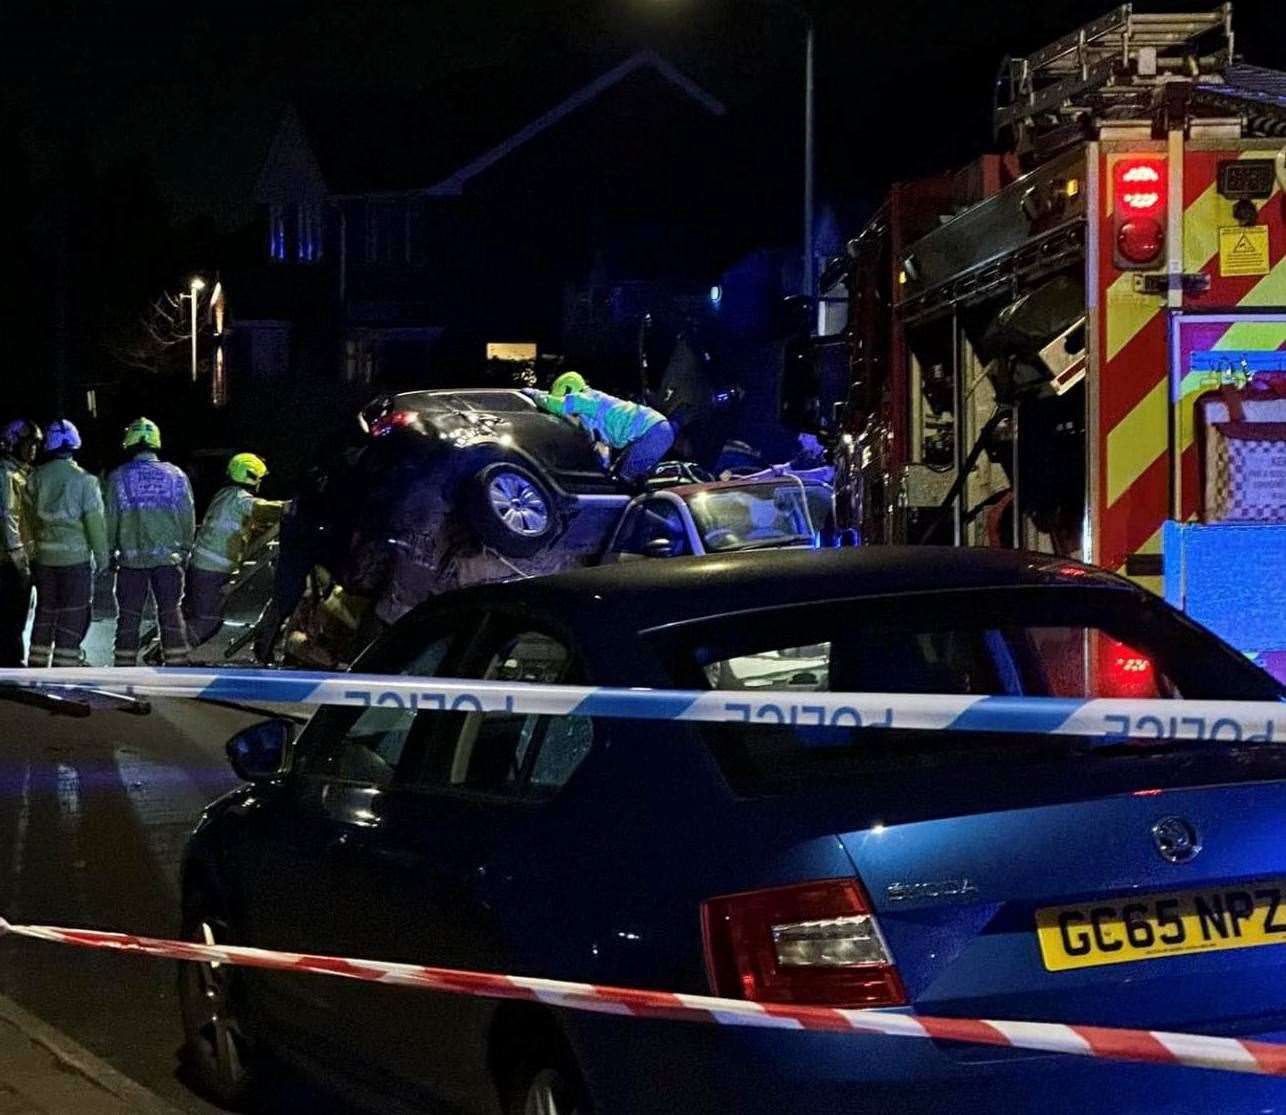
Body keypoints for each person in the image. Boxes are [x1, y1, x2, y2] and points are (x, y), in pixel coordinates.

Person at [104, 417, 195, 666]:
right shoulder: (176, 475)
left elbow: (110, 519)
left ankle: (124, 669)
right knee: (170, 614)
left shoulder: (117, 478)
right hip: (168, 562)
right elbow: (188, 517)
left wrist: (109, 553)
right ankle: (176, 666)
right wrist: (185, 551)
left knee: (128, 618)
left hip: (131, 564)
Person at [25, 419, 108, 667]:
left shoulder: (36, 477)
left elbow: (28, 519)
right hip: (75, 560)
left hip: (44, 559)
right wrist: (102, 558)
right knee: (74, 612)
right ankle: (65, 665)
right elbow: (95, 524)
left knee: (46, 610)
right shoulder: (85, 481)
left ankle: (37, 664)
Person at [184, 453, 285, 649]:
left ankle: (171, 648)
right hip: (212, 569)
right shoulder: (239, 499)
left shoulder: (225, 495)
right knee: (208, 621)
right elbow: (263, 509)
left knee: (200, 616)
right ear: (252, 476)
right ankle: (175, 650)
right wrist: (293, 507)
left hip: (203, 566)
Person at [526, 372, 675, 483]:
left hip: (652, 431)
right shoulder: (594, 404)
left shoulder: (585, 399)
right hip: (655, 428)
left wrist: (534, 394)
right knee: (627, 475)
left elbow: (558, 405)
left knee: (624, 481)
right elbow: (603, 445)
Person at [0, 420, 40, 666]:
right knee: (11, 620)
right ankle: (11, 666)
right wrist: (21, 561)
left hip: (11, 562)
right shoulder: (7, 474)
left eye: (36, 445)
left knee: (14, 620)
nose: (33, 449)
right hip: (7, 564)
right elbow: (8, 517)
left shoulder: (19, 473)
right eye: (29, 444)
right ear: (14, 444)